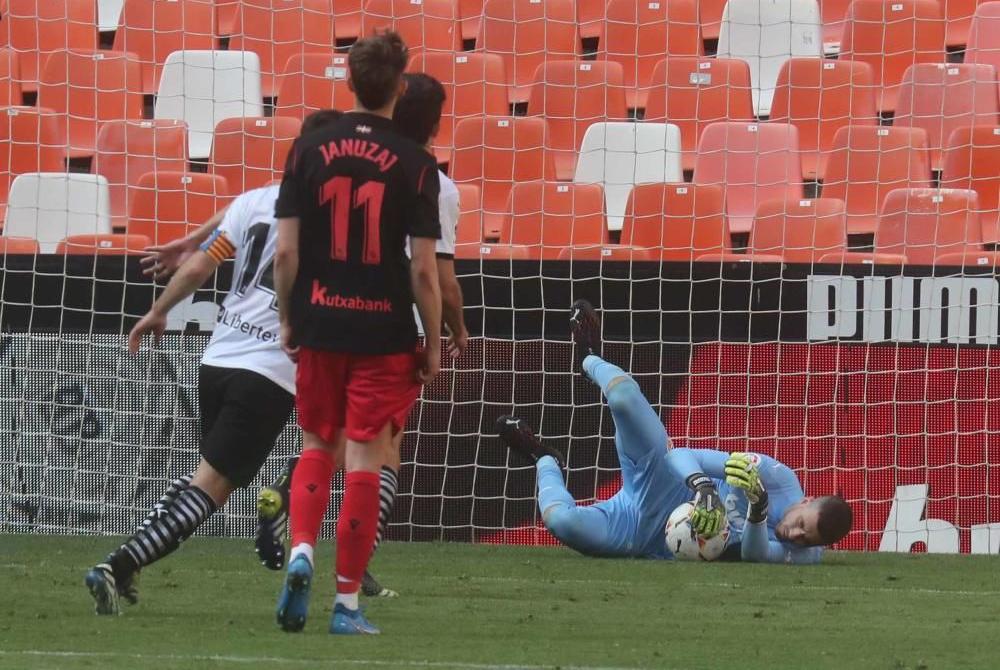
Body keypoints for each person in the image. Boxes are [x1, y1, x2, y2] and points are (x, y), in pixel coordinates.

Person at [83, 110, 347, 615]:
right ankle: (117, 564)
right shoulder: (334, 217)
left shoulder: (252, 202)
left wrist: (159, 310)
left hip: (218, 359)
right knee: (217, 483)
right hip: (270, 367)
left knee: (218, 472)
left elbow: (203, 262)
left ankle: (134, 560)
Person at [256, 71, 468, 599]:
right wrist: (453, 330)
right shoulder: (430, 179)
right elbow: (436, 273)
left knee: (325, 442)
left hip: (331, 318)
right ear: (435, 123)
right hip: (399, 328)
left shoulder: (345, 158)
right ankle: (354, 573)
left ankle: (298, 519)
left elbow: (293, 249)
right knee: (376, 452)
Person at [497, 300, 853, 565]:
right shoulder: (775, 476)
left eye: (806, 539)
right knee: (621, 398)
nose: (796, 534)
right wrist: (703, 486)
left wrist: (758, 511)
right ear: (805, 502)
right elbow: (679, 455)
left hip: (639, 529)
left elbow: (756, 556)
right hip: (661, 479)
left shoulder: (804, 555)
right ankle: (589, 357)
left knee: (561, 522)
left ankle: (545, 460)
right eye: (802, 524)